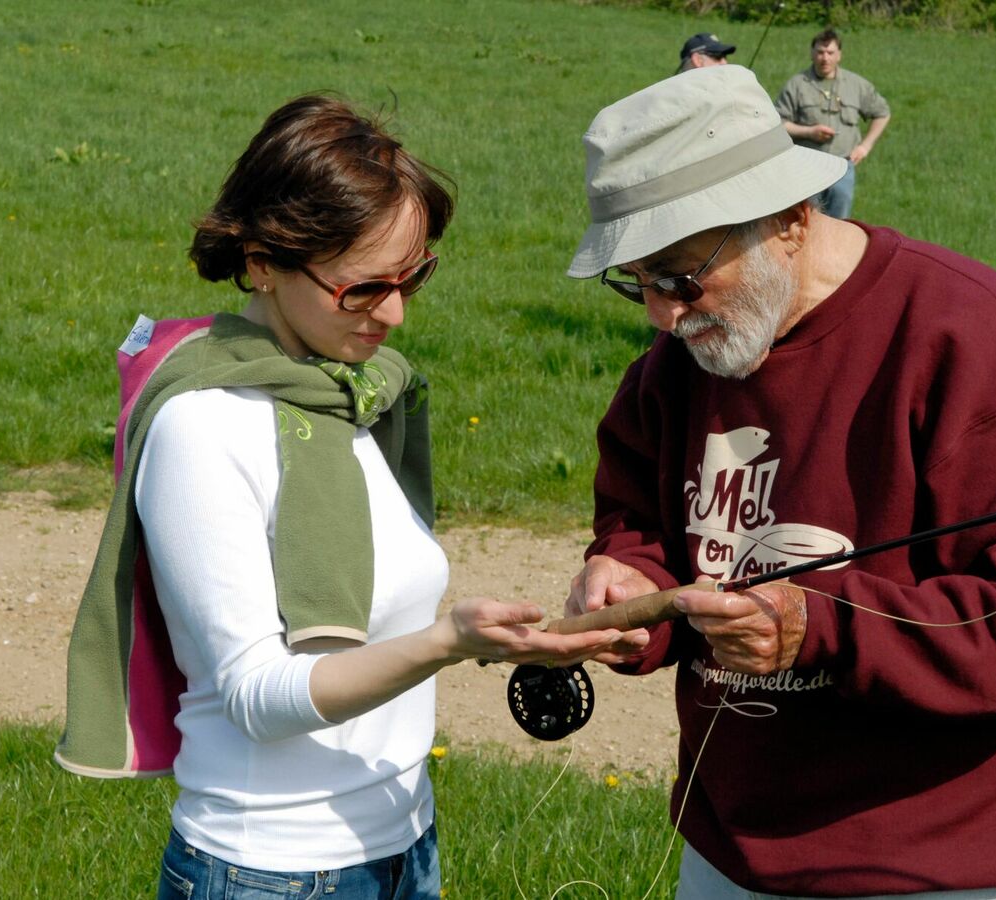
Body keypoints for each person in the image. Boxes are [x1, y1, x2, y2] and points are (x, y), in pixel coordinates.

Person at [563, 65, 996, 899]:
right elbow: (641, 516)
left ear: (788, 217)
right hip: (728, 850)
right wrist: (630, 580)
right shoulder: (679, 366)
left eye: (678, 276)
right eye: (635, 282)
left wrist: (821, 624)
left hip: (931, 866)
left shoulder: (969, 341)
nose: (661, 316)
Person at [56, 95, 622, 900]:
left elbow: (378, 616)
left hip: (403, 842)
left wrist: (495, 639)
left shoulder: (345, 396)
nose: (392, 313)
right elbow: (258, 696)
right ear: (261, 261)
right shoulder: (204, 427)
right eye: (362, 288)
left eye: (412, 277)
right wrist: (447, 642)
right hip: (272, 870)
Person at [774, 28, 890, 219]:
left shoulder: (856, 84)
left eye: (830, 53)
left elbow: (882, 113)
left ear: (839, 55)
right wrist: (809, 132)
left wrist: (865, 146)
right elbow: (778, 123)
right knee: (804, 222)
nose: (825, 58)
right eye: (820, 52)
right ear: (812, 53)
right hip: (806, 166)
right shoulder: (797, 85)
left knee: (839, 225)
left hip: (843, 165)